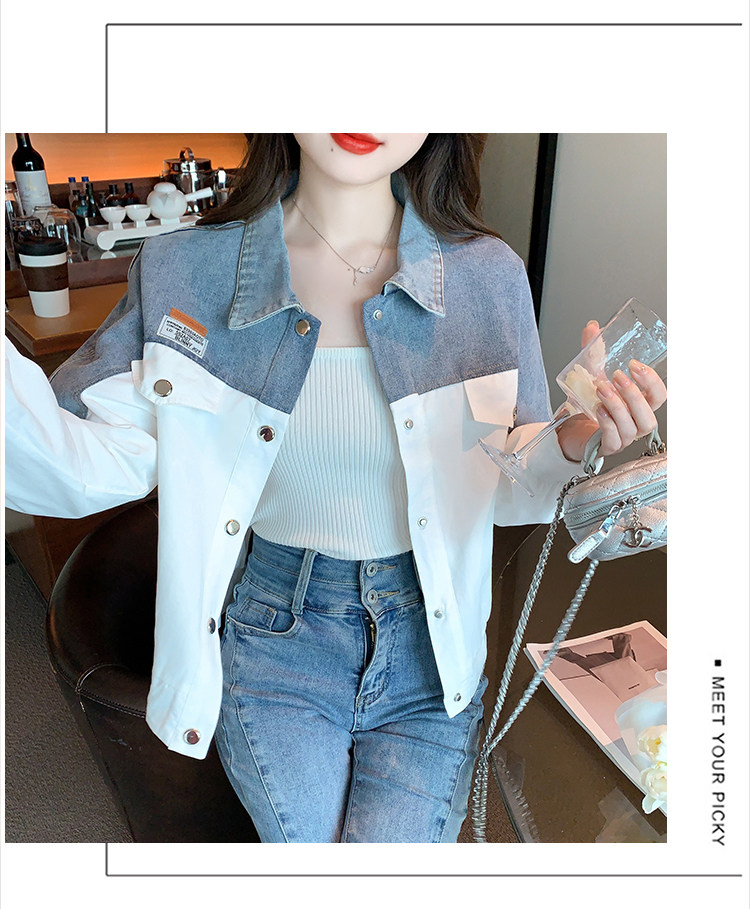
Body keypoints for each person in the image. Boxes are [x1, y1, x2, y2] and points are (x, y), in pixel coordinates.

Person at [4, 133, 666, 842]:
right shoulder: (188, 270)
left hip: (432, 649)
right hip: (276, 641)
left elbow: (506, 489)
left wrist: (570, 440)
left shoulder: (486, 277)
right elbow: (74, 460)